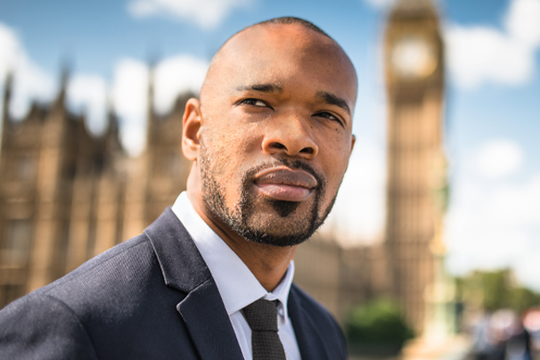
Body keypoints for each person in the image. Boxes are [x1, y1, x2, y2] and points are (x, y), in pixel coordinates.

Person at [0, 16, 357, 360]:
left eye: (328, 116)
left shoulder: (323, 332)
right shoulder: (68, 324)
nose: (295, 139)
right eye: (257, 103)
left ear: (350, 151)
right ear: (193, 133)